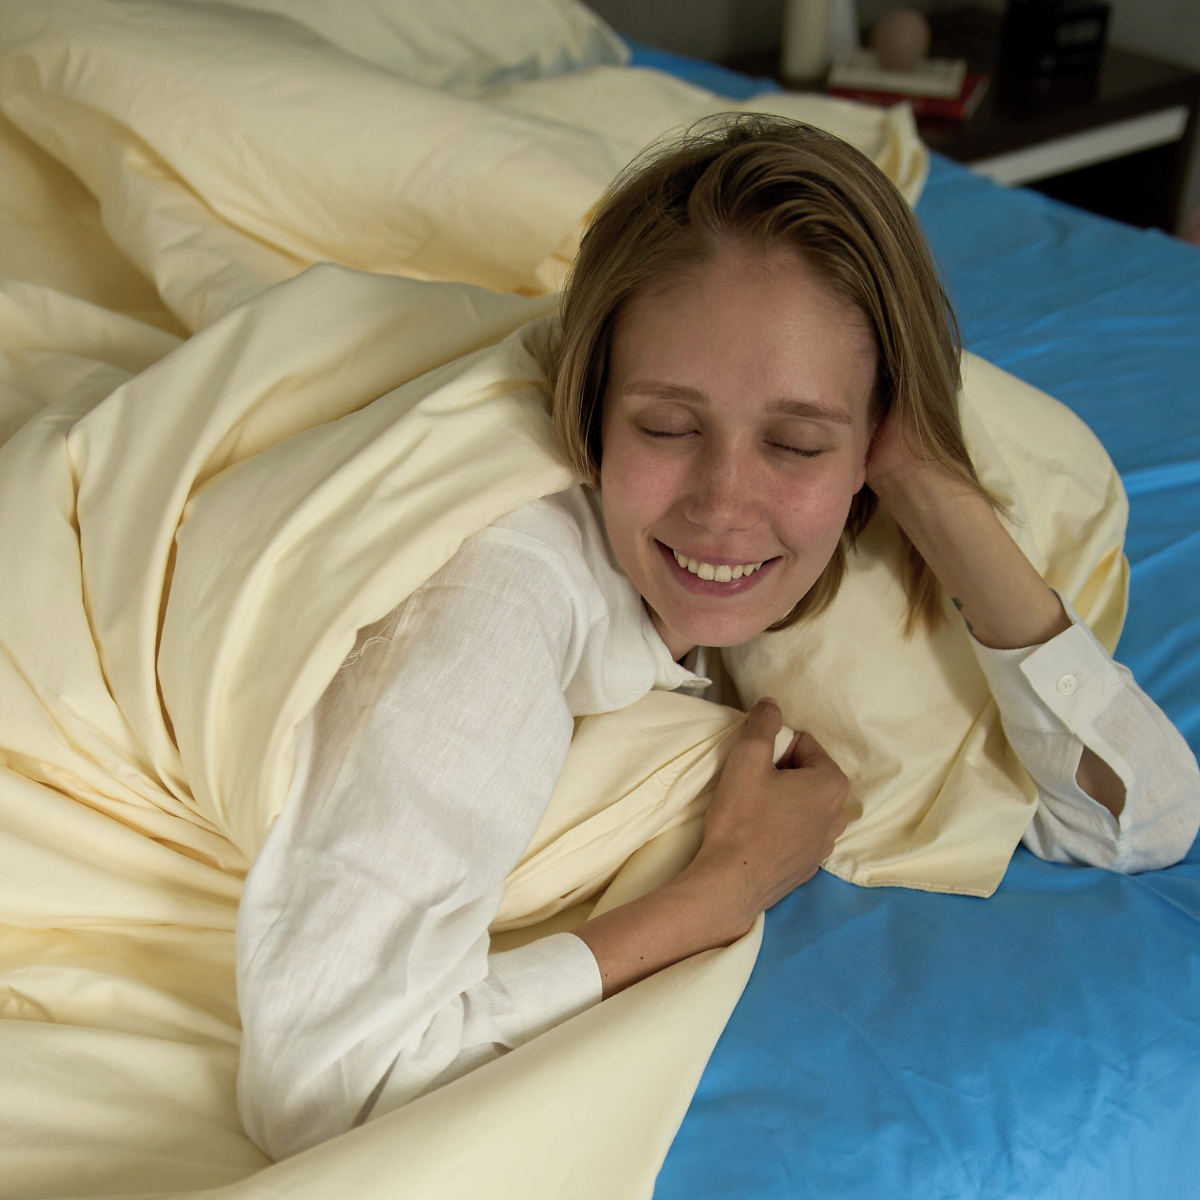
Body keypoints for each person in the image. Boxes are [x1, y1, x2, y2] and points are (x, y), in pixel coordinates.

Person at [235, 115, 1200, 1160]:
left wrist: (932, 486)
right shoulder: (502, 598)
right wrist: (724, 889)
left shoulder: (867, 523)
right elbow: (329, 1087)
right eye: (666, 426)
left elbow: (1140, 820)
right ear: (591, 410)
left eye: (796, 443)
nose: (724, 506)